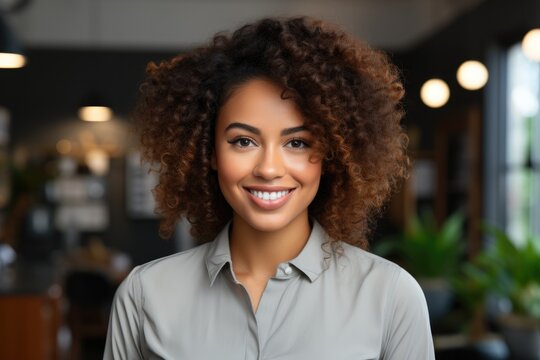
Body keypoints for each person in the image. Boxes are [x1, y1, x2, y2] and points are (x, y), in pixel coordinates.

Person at [104, 16, 435, 359]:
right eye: (244, 141)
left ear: (331, 155)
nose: (269, 169)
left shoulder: (391, 297)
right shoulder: (145, 296)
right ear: (210, 151)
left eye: (297, 143)